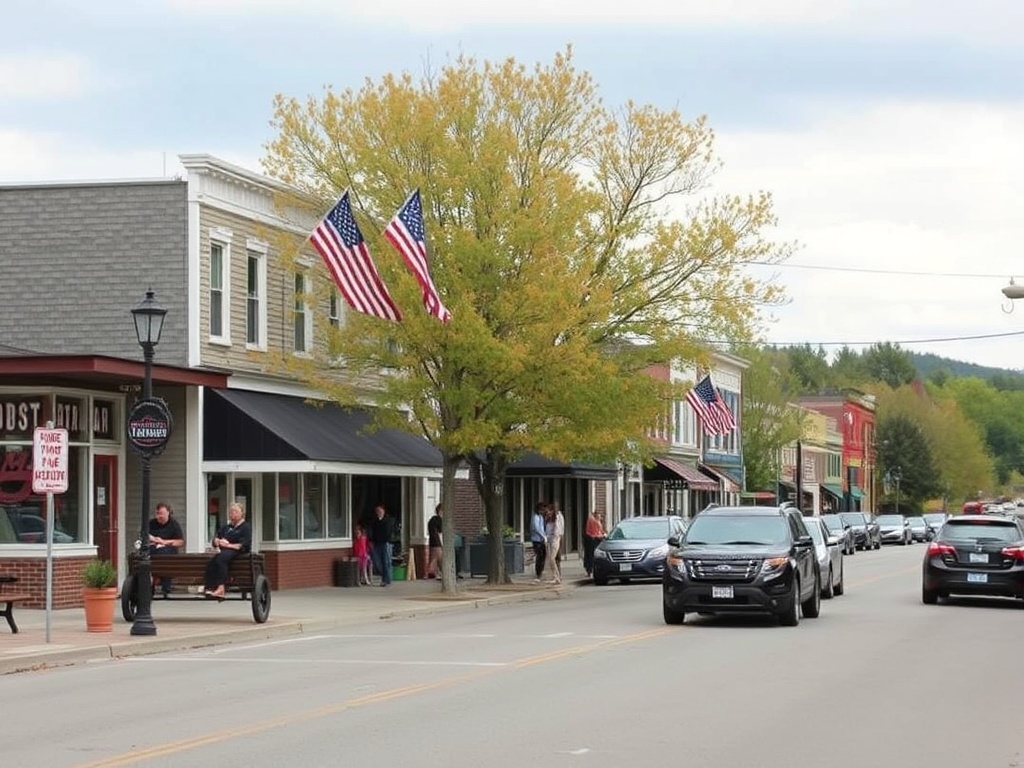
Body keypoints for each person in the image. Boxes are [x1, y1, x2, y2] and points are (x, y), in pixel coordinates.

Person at [204, 502, 251, 599]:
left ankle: (221, 588)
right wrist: (217, 541)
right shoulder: (226, 527)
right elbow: (216, 538)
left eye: (235, 511)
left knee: (221, 559)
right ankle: (211, 587)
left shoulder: (245, 527)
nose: (232, 514)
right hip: (225, 552)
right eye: (231, 512)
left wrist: (228, 545)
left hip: (238, 552)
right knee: (212, 562)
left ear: (242, 513)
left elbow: (243, 545)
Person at [148, 502, 184, 597]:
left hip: (167, 552)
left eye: (162, 514)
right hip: (153, 550)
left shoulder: (174, 524)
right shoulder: (151, 523)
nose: (159, 516)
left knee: (166, 558)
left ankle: (165, 587)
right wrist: (153, 539)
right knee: (147, 556)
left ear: (168, 513)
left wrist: (164, 542)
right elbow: (144, 535)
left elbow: (180, 542)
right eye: (158, 513)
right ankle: (150, 584)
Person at [368, 504, 396, 587]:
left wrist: (388, 540)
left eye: (380, 511)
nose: (378, 512)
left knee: (386, 561)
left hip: (386, 543)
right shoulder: (375, 521)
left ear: (383, 511)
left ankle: (386, 580)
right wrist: (372, 540)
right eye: (377, 511)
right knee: (378, 561)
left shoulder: (388, 520)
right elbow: (372, 531)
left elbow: (389, 531)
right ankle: (386, 578)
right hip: (377, 543)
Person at [583, 509, 606, 577]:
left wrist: (603, 533)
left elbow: (600, 530)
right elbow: (595, 532)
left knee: (590, 555)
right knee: (592, 555)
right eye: (599, 516)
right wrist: (603, 535)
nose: (600, 517)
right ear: (596, 515)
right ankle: (590, 570)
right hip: (592, 540)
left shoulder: (595, 520)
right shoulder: (593, 521)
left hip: (594, 539)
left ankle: (590, 570)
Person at [530, 502, 548, 583]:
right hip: (537, 539)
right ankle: (538, 572)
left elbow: (542, 528)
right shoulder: (535, 517)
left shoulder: (541, 517)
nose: (543, 511)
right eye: (542, 509)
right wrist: (543, 536)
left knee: (543, 555)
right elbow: (537, 528)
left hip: (542, 539)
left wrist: (544, 536)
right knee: (539, 556)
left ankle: (541, 570)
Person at [426, 504, 443, 579]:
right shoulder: (438, 520)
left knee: (434, 557)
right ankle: (432, 572)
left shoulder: (432, 520)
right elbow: (440, 530)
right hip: (436, 541)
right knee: (439, 557)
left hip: (433, 540)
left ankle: (432, 572)